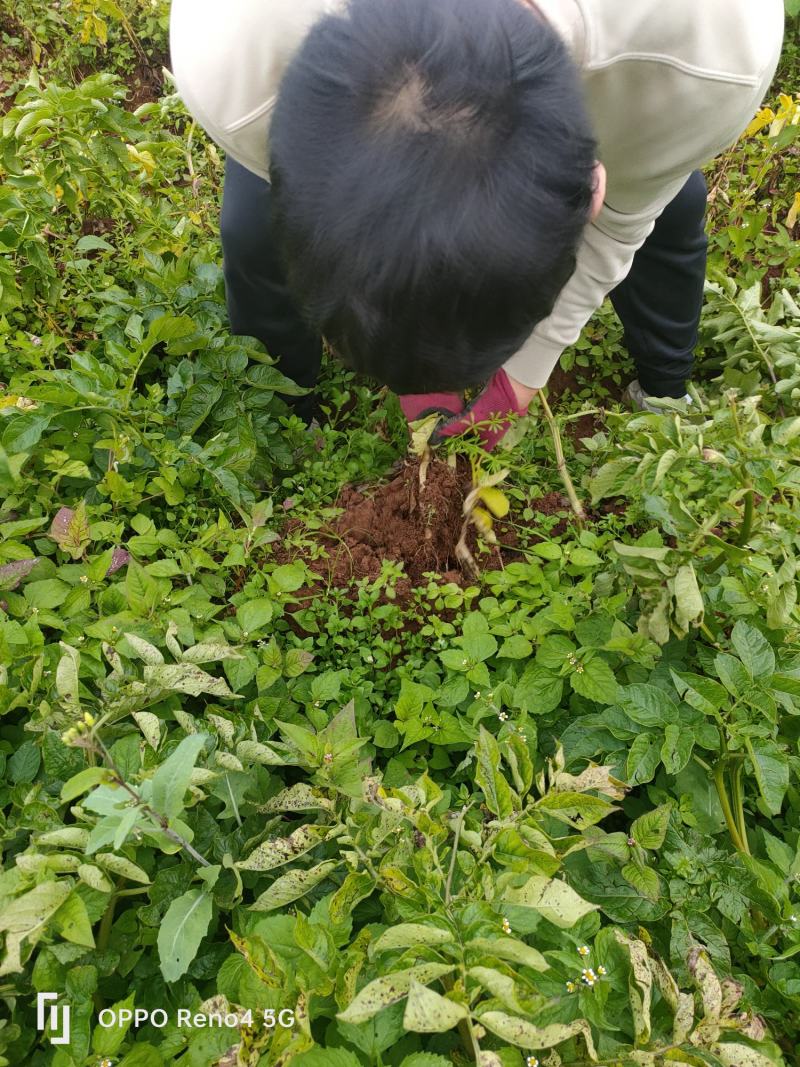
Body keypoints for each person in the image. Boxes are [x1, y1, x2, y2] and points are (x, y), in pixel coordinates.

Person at [170, 0, 784, 449]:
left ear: (596, 186)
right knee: (251, 231)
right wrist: (414, 346)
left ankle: (665, 391)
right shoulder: (231, 48)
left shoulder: (712, 51)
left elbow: (624, 224)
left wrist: (521, 375)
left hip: (655, 89)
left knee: (670, 208)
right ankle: (284, 420)